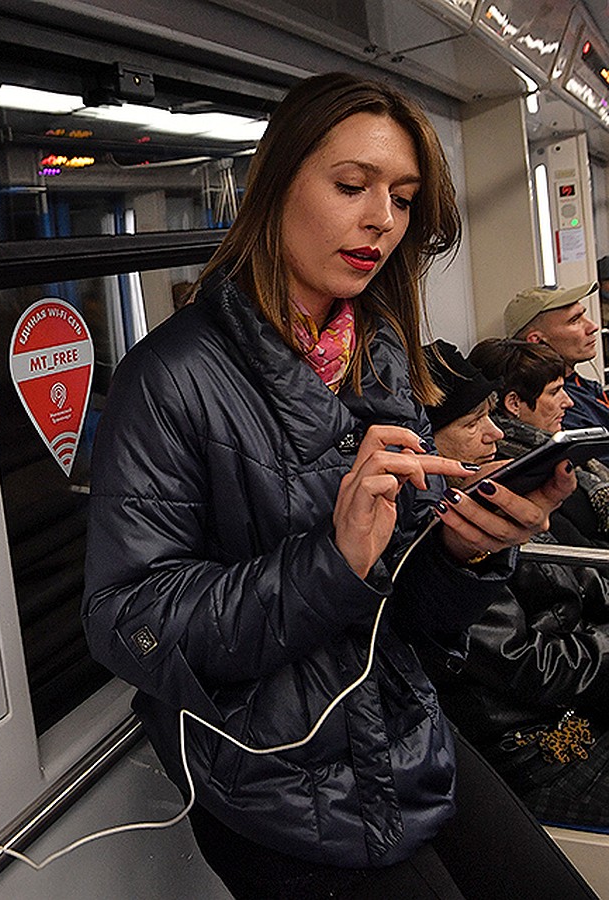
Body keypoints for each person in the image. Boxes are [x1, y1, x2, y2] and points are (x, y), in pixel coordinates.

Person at [82, 72, 586, 899]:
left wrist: (461, 550)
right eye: (352, 186)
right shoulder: (168, 380)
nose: (381, 220)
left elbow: (407, 610)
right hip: (272, 778)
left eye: (403, 196)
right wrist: (332, 559)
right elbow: (127, 621)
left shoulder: (378, 353)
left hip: (398, 726)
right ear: (276, 183)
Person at [424, 340, 609, 831]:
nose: (493, 434)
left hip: (575, 704)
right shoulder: (441, 542)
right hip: (539, 749)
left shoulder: (504, 492)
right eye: (472, 424)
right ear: (425, 447)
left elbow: (584, 580)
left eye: (490, 416)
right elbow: (523, 664)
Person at [467, 338, 609, 546]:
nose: (568, 402)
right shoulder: (522, 472)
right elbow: (578, 552)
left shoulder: (554, 450)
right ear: (514, 403)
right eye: (554, 392)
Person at [504, 282, 609, 433]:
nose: (593, 326)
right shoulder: (553, 408)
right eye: (574, 320)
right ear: (537, 340)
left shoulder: (580, 385)